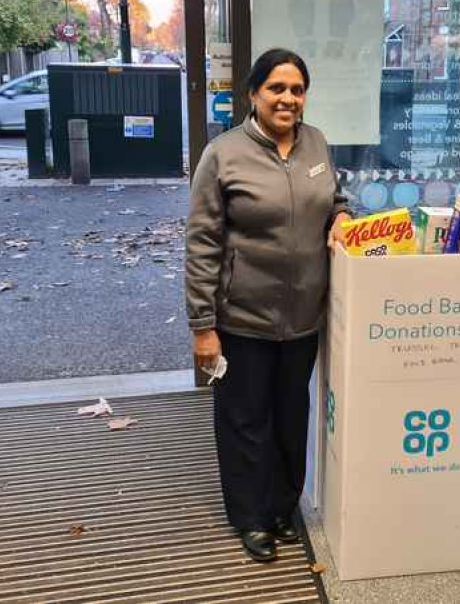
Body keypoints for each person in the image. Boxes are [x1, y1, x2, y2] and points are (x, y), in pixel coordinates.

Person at [185, 48, 350, 563]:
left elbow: (334, 198)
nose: (288, 98)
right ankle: (250, 517)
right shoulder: (224, 154)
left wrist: (343, 217)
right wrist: (203, 325)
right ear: (253, 94)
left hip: (303, 319)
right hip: (242, 321)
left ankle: (282, 509)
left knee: (289, 415)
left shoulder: (316, 143)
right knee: (244, 420)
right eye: (277, 88)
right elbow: (202, 243)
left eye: (297, 89)